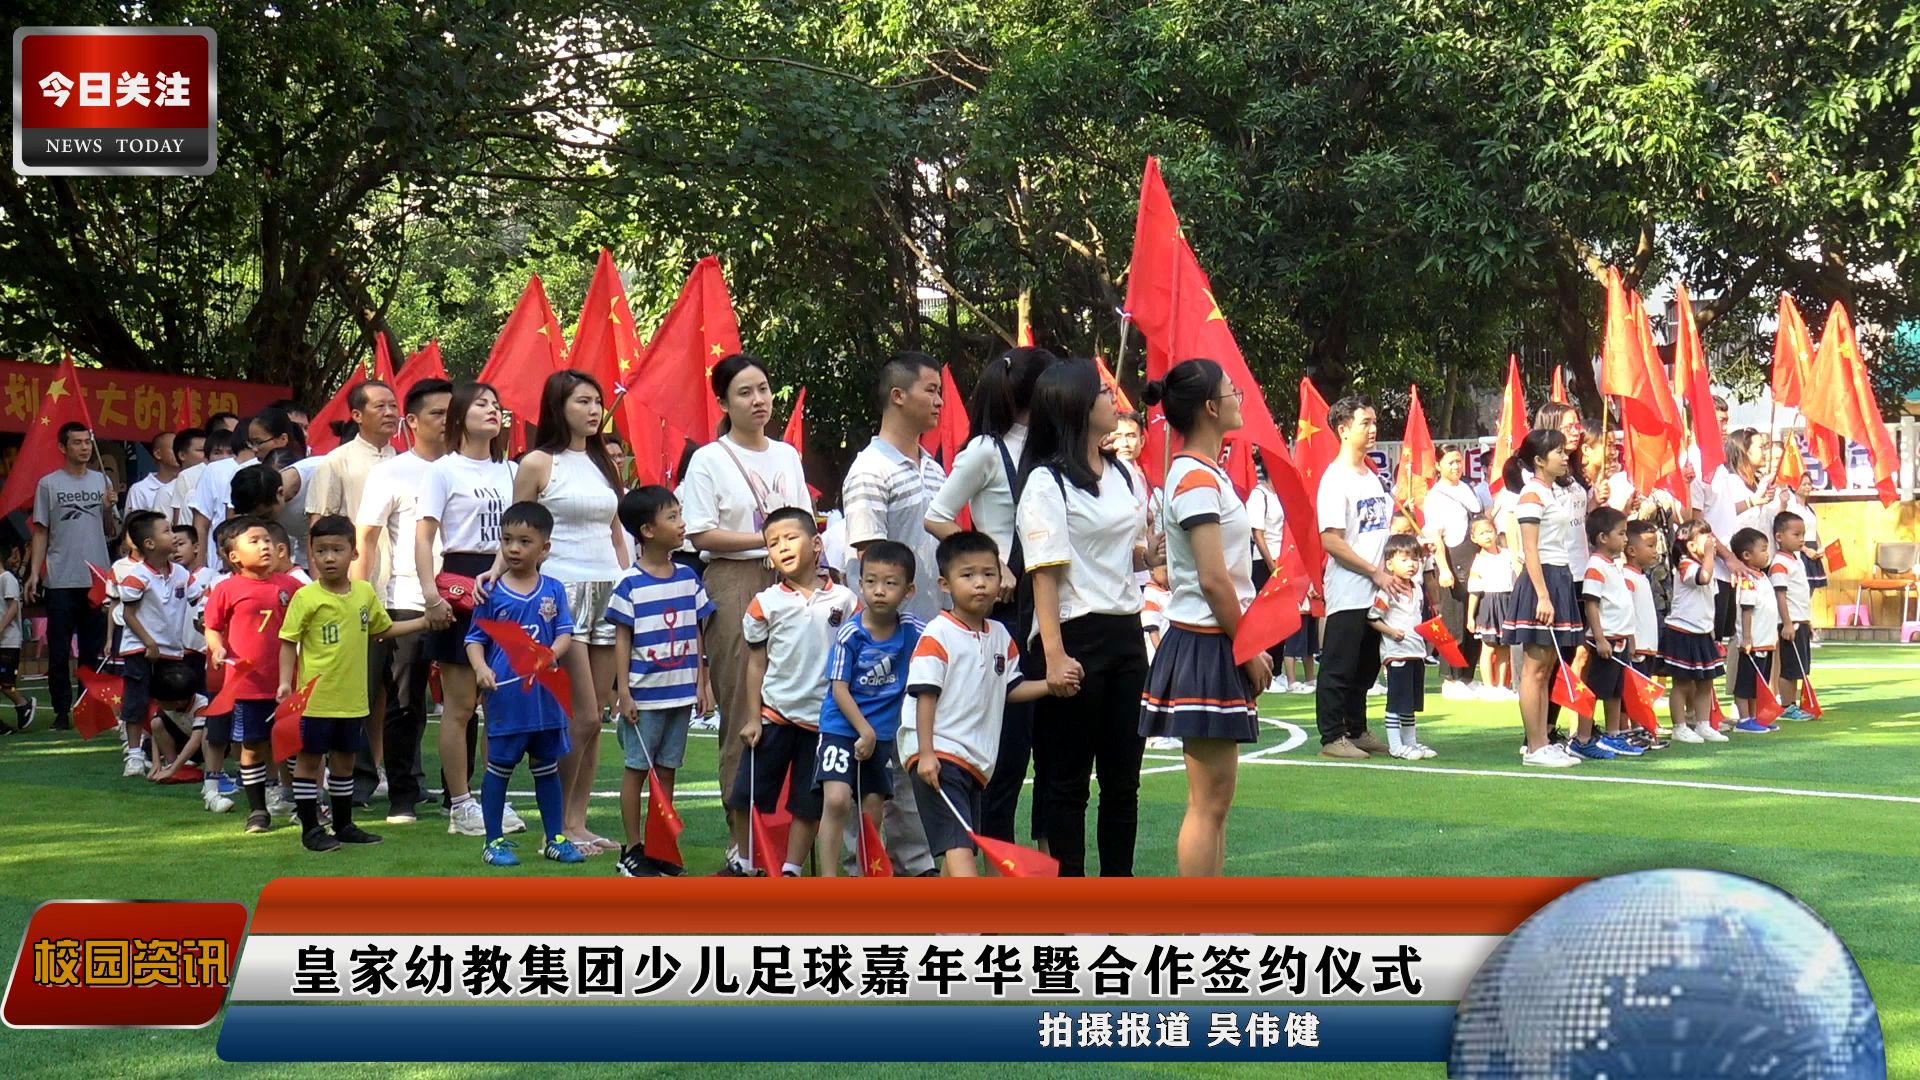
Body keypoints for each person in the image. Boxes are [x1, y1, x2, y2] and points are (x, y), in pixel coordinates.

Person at [1137, 360, 1273, 875]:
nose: (1240, 398)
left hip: (1211, 639)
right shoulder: (1195, 476)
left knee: (1215, 804)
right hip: (1206, 640)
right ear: (1211, 408)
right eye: (1233, 391)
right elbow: (1213, 579)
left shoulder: (1203, 472)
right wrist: (1248, 647)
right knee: (1207, 803)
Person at [1016, 357, 1148, 877]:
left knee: (1123, 780)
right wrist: (1053, 655)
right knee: (1068, 781)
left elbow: (1125, 552)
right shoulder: (1046, 482)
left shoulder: (1124, 473)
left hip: (1127, 632)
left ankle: (1118, 884)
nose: (1112, 398)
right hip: (1074, 633)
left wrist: (1152, 555)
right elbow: (1043, 574)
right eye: (1100, 392)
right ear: (1073, 405)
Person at [679, 355, 812, 867]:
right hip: (734, 581)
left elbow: (805, 523)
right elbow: (700, 533)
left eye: (763, 389)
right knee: (742, 707)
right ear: (723, 402)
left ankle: (788, 841)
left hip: (793, 584)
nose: (758, 400)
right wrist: (768, 541)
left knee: (798, 703)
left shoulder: (787, 456)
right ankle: (741, 841)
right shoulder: (709, 459)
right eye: (744, 392)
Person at [925, 345, 1057, 845]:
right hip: (1006, 609)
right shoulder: (985, 450)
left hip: (1051, 603)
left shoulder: (1053, 447)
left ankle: (1048, 854)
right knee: (1009, 749)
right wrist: (991, 563)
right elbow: (937, 516)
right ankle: (999, 858)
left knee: (1053, 747)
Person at [506, 371, 629, 854]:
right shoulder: (538, 463)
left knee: (595, 719)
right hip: (560, 593)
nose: (594, 409)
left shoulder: (604, 462)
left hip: (609, 591)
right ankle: (554, 829)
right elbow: (516, 532)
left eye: (597, 401)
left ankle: (577, 823)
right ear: (559, 407)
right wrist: (499, 576)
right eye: (583, 401)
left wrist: (629, 580)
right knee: (579, 716)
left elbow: (616, 530)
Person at [840, 352, 946, 873]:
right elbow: (871, 560)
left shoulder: (934, 468)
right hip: (883, 640)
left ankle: (915, 861)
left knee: (917, 745)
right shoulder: (870, 470)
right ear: (898, 396)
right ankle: (866, 864)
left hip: (929, 631)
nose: (940, 401)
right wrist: (886, 634)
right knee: (878, 750)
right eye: (931, 390)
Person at [904, 530, 1055, 876]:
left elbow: (1011, 688)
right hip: (939, 757)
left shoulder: (1000, 635)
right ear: (945, 584)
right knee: (960, 851)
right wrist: (925, 753)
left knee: (960, 847)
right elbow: (925, 695)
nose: (980, 583)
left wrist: (1050, 685)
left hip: (974, 763)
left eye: (989, 573)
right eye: (968, 575)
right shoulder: (937, 634)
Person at [278, 515, 429, 852]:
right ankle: (310, 829)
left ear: (354, 553)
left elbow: (383, 629)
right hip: (316, 700)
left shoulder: (363, 593)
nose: (329, 558)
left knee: (345, 761)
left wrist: (423, 622)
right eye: (321, 551)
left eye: (337, 549)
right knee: (309, 761)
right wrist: (285, 684)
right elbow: (288, 641)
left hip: (352, 699)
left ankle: (343, 824)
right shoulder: (306, 597)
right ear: (312, 554)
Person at [418, 382, 523, 839]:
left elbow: (524, 530)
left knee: (500, 701)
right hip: (460, 581)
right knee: (460, 705)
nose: (492, 411)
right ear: (459, 416)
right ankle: (460, 804)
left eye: (497, 405)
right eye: (481, 404)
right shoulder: (442, 471)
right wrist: (431, 595)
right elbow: (424, 537)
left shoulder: (513, 471)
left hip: (508, 582)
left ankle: (495, 797)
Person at [730, 507, 858, 876]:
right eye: (773, 543)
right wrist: (753, 718)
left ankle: (791, 868)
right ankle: (745, 862)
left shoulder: (846, 601)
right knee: (747, 795)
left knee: (807, 802)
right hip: (775, 714)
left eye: (791, 537)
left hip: (824, 721)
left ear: (816, 544)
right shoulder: (765, 603)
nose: (782, 547)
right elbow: (756, 664)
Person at [463, 502, 588, 866]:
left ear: (544, 548)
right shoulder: (491, 591)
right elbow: (474, 638)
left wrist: (551, 654)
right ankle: (493, 841)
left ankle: (556, 838)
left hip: (546, 698)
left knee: (547, 768)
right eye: (507, 540)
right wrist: (480, 668)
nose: (514, 548)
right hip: (508, 699)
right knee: (499, 769)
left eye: (524, 541)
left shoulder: (554, 589)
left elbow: (564, 633)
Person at [354, 377, 454, 824]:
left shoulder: (470, 468)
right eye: (437, 413)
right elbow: (366, 540)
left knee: (462, 703)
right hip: (408, 598)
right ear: (411, 421)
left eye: (453, 412)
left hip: (464, 598)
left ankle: (457, 794)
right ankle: (402, 796)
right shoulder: (391, 472)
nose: (448, 420)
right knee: (404, 702)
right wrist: (359, 599)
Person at [605, 486, 715, 878]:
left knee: (667, 770)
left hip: (680, 694)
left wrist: (702, 682)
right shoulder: (629, 583)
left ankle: (660, 845)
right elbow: (623, 639)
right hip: (646, 696)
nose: (682, 524)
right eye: (673, 517)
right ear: (648, 530)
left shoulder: (688, 577)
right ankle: (632, 847)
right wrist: (624, 691)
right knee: (637, 769)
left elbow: (697, 631)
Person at [815, 540, 923, 877]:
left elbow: (941, 649)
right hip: (841, 727)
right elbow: (839, 688)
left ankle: (867, 875)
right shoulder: (851, 633)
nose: (879, 590)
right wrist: (864, 731)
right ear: (859, 584)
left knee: (872, 808)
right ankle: (828, 880)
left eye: (890, 583)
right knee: (836, 799)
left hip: (883, 736)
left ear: (908, 590)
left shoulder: (914, 630)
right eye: (871, 581)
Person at [1315, 396, 1404, 760]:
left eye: (1374, 422)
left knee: (1366, 665)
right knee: (1340, 663)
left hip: (1378, 588)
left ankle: (1356, 728)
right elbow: (1331, 540)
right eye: (1364, 423)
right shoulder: (1335, 479)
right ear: (1343, 429)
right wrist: (1374, 572)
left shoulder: (1373, 477)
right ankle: (1332, 736)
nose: (1372, 429)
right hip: (1350, 587)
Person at [202, 517, 306, 833]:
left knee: (295, 745)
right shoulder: (226, 589)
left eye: (267, 540)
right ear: (233, 556)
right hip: (247, 684)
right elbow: (212, 627)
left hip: (288, 683)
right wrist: (217, 648)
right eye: (255, 541)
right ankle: (258, 810)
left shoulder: (291, 586)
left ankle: (303, 805)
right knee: (253, 745)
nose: (264, 546)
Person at [1502, 428, 1583, 768]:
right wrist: (1542, 595)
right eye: (1558, 452)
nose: (1565, 457)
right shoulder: (1531, 494)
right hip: (1543, 580)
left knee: (1547, 667)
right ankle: (1535, 746)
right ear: (1538, 460)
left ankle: (1543, 742)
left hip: (1558, 576)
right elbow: (1530, 549)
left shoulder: (1548, 492)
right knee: (1534, 669)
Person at [28, 421, 116, 730]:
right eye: (77, 442)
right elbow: (41, 531)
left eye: (87, 442)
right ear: (62, 447)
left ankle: (88, 710)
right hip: (61, 578)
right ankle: (61, 711)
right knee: (59, 651)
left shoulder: (102, 480)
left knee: (93, 651)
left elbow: (110, 532)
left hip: (96, 579)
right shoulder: (48, 484)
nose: (84, 447)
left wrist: (108, 509)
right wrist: (34, 573)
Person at [115, 510, 204, 776]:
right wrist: (148, 643)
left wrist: (203, 620)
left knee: (173, 700)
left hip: (172, 649)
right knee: (137, 698)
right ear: (149, 543)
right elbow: (128, 614)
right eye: (167, 531)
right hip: (140, 648)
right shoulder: (137, 576)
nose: (173, 535)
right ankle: (133, 754)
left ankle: (172, 751)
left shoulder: (181, 574)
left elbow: (198, 601)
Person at [1578, 506, 1643, 759]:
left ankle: (1613, 735)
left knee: (1616, 690)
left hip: (1620, 638)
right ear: (1603, 537)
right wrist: (1600, 638)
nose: (1626, 539)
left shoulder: (1614, 565)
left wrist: (1630, 637)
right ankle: (1583, 739)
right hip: (1606, 641)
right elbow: (1592, 604)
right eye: (1621, 533)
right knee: (1594, 690)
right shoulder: (1596, 566)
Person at [1659, 521, 1729, 744]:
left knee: (1706, 681)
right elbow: (1702, 578)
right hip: (1683, 630)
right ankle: (1679, 726)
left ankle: (1703, 724)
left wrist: (1711, 631)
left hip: (1703, 631)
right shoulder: (1685, 564)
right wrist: (1709, 555)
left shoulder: (1707, 565)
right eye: (1706, 538)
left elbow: (1710, 600)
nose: (1712, 542)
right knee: (1682, 682)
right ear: (1690, 545)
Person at [1425, 446, 1485, 697]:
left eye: (1459, 461)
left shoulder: (1467, 489)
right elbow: (1435, 536)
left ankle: (1467, 676)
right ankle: (1450, 678)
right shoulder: (1435, 496)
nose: (1456, 466)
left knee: (1473, 620)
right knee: (1453, 623)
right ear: (1438, 465)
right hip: (1452, 559)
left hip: (1474, 559)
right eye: (1450, 462)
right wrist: (1444, 569)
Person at [1369, 533, 1435, 760]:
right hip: (1397, 654)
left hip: (1416, 653)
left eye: (1415, 559)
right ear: (1389, 564)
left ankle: (1411, 743)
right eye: (1404, 559)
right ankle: (1396, 746)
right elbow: (1373, 618)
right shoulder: (1387, 591)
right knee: (1397, 702)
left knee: (1410, 702)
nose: (1411, 564)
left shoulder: (1417, 589)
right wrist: (1391, 632)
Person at [307, 380, 398, 527]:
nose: (389, 413)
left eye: (393, 406)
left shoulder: (404, 461)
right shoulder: (336, 461)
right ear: (357, 415)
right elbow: (319, 523)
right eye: (380, 406)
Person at [1729, 526, 1783, 734]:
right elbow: (1747, 610)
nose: (1767, 553)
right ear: (1746, 555)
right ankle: (1744, 719)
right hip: (1754, 642)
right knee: (1746, 683)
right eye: (1762, 549)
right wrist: (1747, 637)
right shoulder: (1748, 580)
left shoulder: (1762, 577)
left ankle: (1754, 717)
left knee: (1758, 683)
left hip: (1766, 641)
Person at [1622, 519, 1669, 750]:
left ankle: (1642, 729)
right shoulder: (1627, 577)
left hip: (1648, 645)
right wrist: (1631, 640)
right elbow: (1628, 611)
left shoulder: (1641, 576)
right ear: (1631, 550)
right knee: (1634, 692)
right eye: (1650, 546)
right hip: (1637, 646)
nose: (1655, 551)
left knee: (1644, 692)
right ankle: (1630, 731)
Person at [189, 428, 255, 570]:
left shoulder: (274, 465)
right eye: (218, 452)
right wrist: (198, 571)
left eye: (229, 452)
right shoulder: (215, 470)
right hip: (219, 565)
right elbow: (201, 524)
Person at [1770, 511, 1816, 719]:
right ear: (1779, 537)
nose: (1801, 539)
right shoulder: (1779, 564)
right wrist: (1787, 623)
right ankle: (1786, 705)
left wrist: (1807, 621)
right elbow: (1781, 595)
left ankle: (1793, 704)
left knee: (1798, 667)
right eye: (1796, 535)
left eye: (1803, 534)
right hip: (1790, 623)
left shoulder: (1796, 560)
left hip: (1800, 620)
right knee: (1789, 667)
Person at [1466, 516, 1514, 699]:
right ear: (1474, 538)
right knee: (1488, 646)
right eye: (1482, 533)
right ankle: (1488, 686)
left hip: (1507, 601)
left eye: (1489, 531)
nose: (1487, 536)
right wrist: (1470, 617)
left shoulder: (1507, 555)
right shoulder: (1479, 561)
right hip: (1488, 603)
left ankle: (1502, 685)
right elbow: (1474, 591)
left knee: (1504, 647)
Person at [146, 663, 212, 789]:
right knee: (156, 722)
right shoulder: (167, 704)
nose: (156, 703)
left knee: (206, 732)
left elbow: (195, 742)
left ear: (177, 703)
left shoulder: (202, 706)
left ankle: (211, 770)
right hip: (182, 741)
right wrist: (156, 763)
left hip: (203, 746)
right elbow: (155, 732)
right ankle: (172, 764)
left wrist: (172, 771)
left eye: (158, 701)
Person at [0, 551, 33, 734]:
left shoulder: (7, 579)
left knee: (5, 682)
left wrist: (0, 629)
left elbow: (13, 606)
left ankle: (22, 703)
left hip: (8, 641)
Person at [126, 431, 183, 520]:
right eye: (174, 449)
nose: (180, 453)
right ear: (158, 454)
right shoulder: (140, 490)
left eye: (182, 449)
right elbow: (134, 525)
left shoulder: (189, 484)